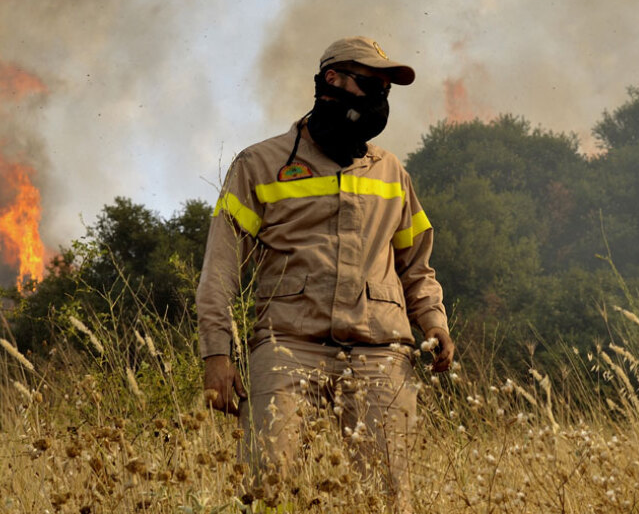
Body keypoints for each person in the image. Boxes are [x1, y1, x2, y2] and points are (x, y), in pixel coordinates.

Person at [195, 36, 454, 511]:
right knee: (264, 488)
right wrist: (217, 353)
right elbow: (220, 269)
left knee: (389, 498)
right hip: (286, 346)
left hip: (380, 353)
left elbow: (416, 265)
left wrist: (434, 322)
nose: (379, 98)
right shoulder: (261, 165)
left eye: (386, 89)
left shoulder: (392, 172)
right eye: (370, 83)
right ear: (331, 80)